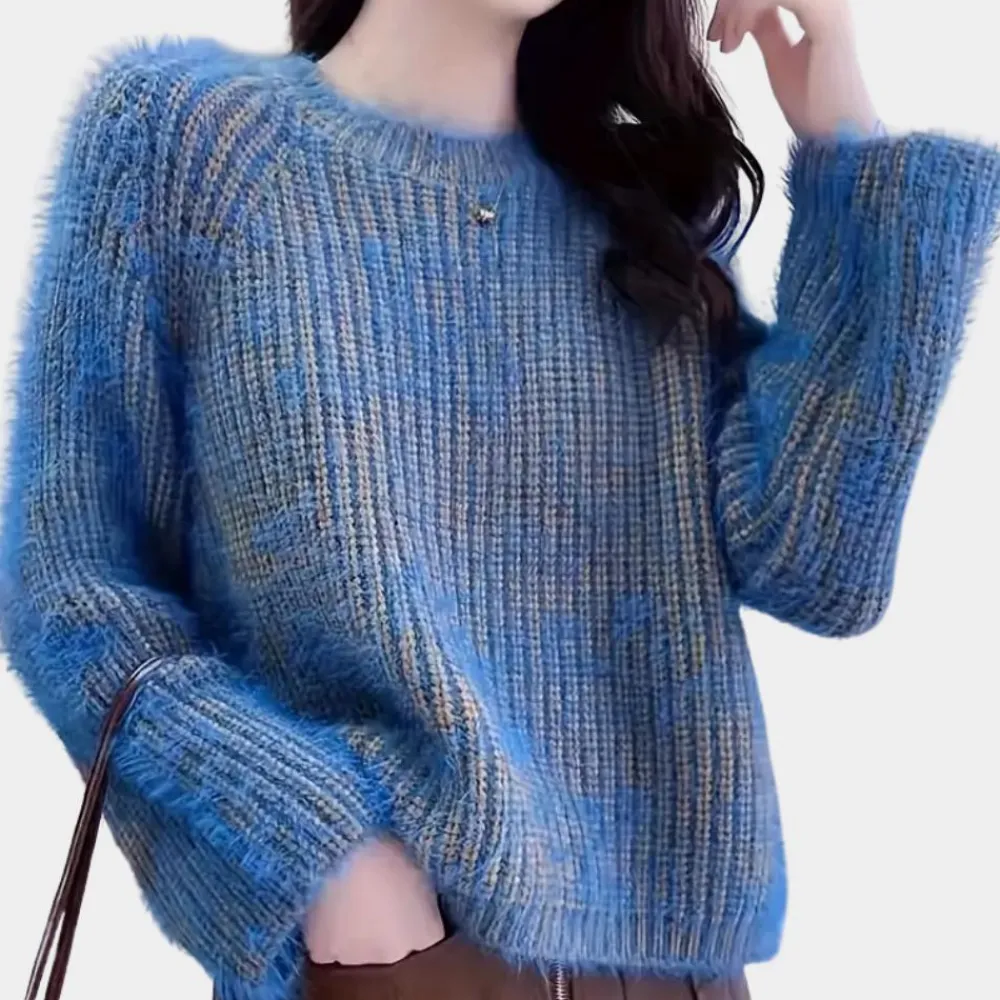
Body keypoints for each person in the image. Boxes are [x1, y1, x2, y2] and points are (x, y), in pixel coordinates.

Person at [3, 0, 998, 998]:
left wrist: (845, 134)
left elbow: (818, 564)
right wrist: (314, 844)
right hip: (394, 963)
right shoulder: (194, 142)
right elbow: (68, 582)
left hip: (681, 973)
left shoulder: (640, 213)